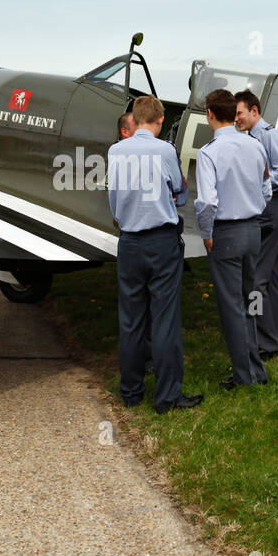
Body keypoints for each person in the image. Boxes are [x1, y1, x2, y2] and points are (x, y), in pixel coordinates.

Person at [107, 95, 201, 414]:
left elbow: (113, 199)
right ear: (160, 120)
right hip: (161, 241)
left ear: (134, 119)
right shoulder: (164, 150)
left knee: (131, 319)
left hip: (130, 241)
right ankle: (167, 396)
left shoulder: (116, 151)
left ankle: (131, 391)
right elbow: (177, 187)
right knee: (165, 320)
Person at [194, 89, 269, 390]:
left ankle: (244, 377)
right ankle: (256, 369)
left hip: (225, 234)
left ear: (210, 113)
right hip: (253, 231)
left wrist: (206, 233)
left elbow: (207, 202)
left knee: (232, 307)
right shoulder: (255, 146)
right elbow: (267, 189)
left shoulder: (209, 153)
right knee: (250, 301)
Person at [234, 89, 278, 360]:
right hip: (269, 209)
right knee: (273, 280)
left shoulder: (269, 135)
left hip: (271, 209)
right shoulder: (255, 137)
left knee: (256, 278)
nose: (236, 119)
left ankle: (264, 344)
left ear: (254, 110)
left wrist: (255, 181)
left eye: (240, 113)